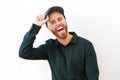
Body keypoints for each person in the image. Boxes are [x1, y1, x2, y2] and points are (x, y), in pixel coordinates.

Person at [19, 6, 99, 80]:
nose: (58, 23)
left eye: (60, 19)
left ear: (65, 20)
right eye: (53, 22)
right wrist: (36, 26)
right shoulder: (49, 47)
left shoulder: (85, 45)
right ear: (49, 28)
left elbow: (93, 78)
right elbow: (24, 52)